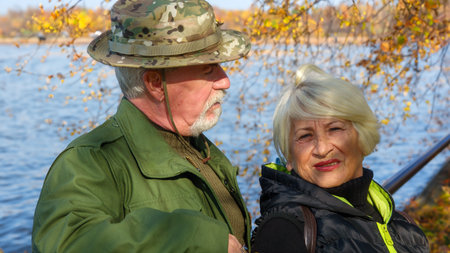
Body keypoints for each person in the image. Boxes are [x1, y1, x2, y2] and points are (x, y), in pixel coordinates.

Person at [32, 0, 252, 252]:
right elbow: (68, 244)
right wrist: (194, 239)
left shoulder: (197, 146)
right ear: (156, 84)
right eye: (207, 70)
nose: (225, 81)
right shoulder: (90, 163)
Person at [251, 64, 429, 252]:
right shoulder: (285, 230)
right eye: (305, 136)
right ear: (289, 156)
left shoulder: (402, 224)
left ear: (362, 136)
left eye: (334, 129)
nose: (322, 148)